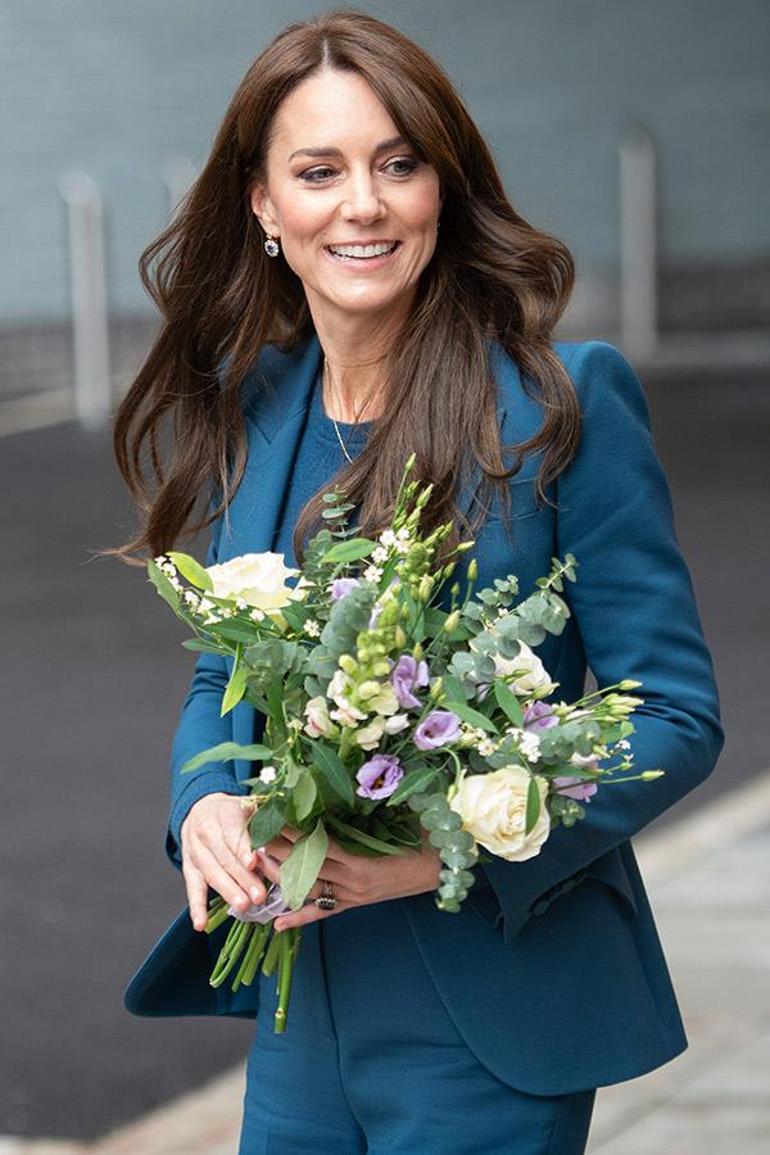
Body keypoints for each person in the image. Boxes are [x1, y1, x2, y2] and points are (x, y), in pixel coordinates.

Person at [114, 9, 724, 1153]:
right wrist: (203, 804)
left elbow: (671, 715)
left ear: (443, 186)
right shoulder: (261, 407)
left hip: (492, 1000)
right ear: (263, 205)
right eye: (320, 172)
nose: (364, 204)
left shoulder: (559, 405)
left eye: (398, 165)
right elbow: (218, 672)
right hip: (302, 1000)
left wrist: (429, 854)